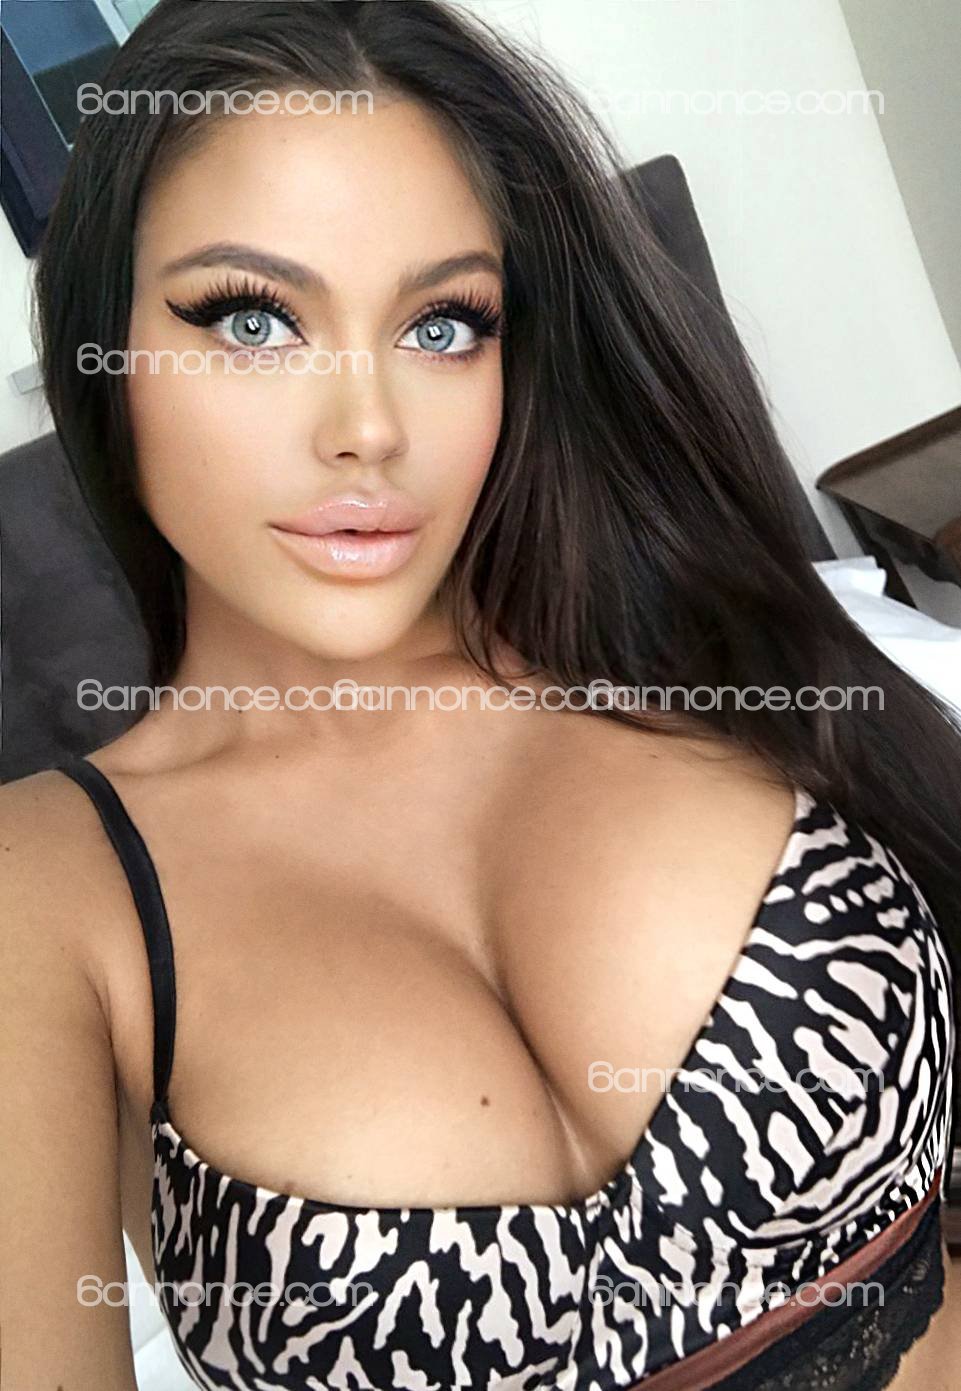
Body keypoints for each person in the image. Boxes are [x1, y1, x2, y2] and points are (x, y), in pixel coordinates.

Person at [1, 2, 959, 1388]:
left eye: (443, 325)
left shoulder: (681, 629)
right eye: (254, 319)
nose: (369, 429)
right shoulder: (45, 896)